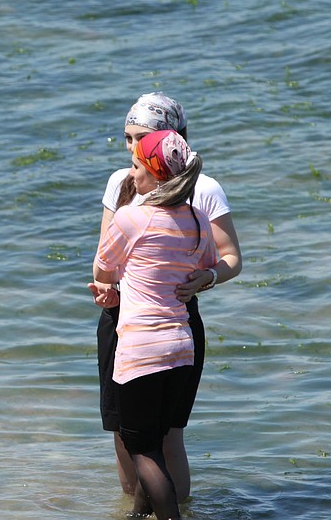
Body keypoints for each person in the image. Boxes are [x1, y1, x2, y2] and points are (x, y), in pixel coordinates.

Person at [91, 92, 242, 508]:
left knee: (167, 433)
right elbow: (105, 256)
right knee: (121, 429)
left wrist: (205, 278)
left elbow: (230, 258)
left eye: (141, 138)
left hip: (175, 312)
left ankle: (175, 510)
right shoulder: (123, 180)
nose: (131, 148)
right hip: (120, 312)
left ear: (169, 138)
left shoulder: (204, 189)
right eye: (126, 138)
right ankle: (134, 509)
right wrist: (109, 289)